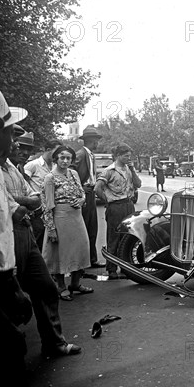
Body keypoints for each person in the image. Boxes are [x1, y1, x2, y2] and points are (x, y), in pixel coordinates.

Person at [2, 129, 81, 357]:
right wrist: (25, 202)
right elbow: (14, 206)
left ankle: (54, 343)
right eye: (16, 142)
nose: (20, 148)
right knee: (10, 300)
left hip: (25, 233)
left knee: (46, 288)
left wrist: (24, 202)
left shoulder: (13, 168)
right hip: (6, 235)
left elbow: (35, 199)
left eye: (23, 145)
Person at [0, 87, 33, 387]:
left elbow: (6, 212)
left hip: (3, 277)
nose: (13, 141)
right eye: (8, 132)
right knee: (9, 347)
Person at [41, 145, 93, 301]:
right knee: (60, 253)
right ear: (56, 158)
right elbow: (47, 204)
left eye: (68, 158)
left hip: (76, 217)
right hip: (60, 218)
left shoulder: (74, 173)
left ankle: (75, 284)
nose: (65, 161)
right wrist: (51, 228)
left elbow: (81, 192)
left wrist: (82, 199)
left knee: (81, 249)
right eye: (62, 157)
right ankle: (61, 286)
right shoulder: (50, 178)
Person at [94, 143, 141, 280]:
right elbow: (97, 188)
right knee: (114, 237)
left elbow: (138, 184)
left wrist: (132, 169)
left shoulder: (128, 169)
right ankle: (111, 268)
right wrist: (107, 201)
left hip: (128, 204)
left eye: (129, 156)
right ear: (118, 156)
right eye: (126, 156)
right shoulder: (109, 171)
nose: (128, 158)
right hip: (115, 206)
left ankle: (125, 266)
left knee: (127, 237)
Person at [73, 125, 104, 268]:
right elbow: (71, 174)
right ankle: (83, 261)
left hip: (90, 193)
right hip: (84, 193)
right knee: (84, 228)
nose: (97, 143)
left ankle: (91, 259)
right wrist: (80, 188)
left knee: (92, 228)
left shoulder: (90, 155)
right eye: (96, 140)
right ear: (92, 141)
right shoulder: (80, 154)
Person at [25, 138, 63, 249]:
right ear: (47, 149)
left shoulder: (56, 167)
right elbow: (24, 184)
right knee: (37, 239)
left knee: (50, 241)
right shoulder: (33, 165)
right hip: (38, 211)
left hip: (52, 209)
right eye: (55, 152)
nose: (57, 155)